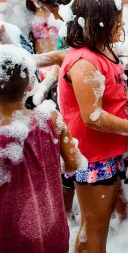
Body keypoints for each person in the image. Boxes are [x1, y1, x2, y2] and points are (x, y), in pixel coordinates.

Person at [58, 0, 128, 253]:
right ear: (97, 23)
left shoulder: (101, 50)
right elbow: (92, 115)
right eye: (117, 19)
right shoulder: (84, 62)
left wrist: (127, 105)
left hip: (106, 151)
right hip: (91, 155)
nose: (122, 23)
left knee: (98, 222)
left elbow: (107, 96)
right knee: (95, 226)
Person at [0, 45, 86, 253]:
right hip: (52, 230)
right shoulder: (50, 118)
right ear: (30, 84)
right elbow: (74, 163)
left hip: (10, 238)